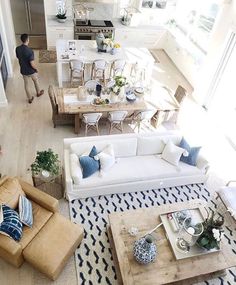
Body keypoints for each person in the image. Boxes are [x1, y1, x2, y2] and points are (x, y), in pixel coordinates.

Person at [16, 33, 44, 103]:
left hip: (23, 70)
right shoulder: (30, 51)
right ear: (28, 40)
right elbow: (32, 64)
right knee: (35, 81)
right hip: (31, 71)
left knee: (26, 85)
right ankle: (38, 92)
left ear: (22, 40)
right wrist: (36, 69)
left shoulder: (17, 49)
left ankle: (30, 98)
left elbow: (18, 57)